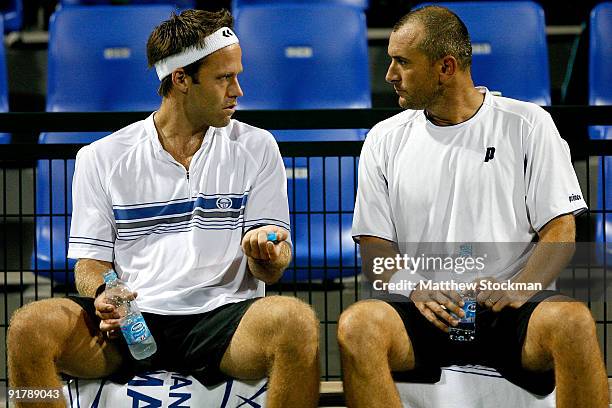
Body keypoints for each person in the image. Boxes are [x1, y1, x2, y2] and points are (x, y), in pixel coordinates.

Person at [7, 9, 320, 408]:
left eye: (237, 76)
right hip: (133, 322)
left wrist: (268, 255)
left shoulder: (258, 147)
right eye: (224, 78)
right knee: (28, 327)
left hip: (224, 320)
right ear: (181, 80)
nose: (238, 90)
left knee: (295, 322)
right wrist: (105, 291)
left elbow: (271, 268)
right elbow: (89, 263)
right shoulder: (101, 157)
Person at [337, 5, 608, 408]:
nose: (390, 74)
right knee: (357, 325)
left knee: (573, 322)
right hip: (425, 308)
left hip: (508, 309)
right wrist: (415, 289)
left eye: (402, 62)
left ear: (445, 67)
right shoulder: (383, 138)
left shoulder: (529, 123)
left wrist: (521, 287)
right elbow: (375, 247)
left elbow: (560, 231)